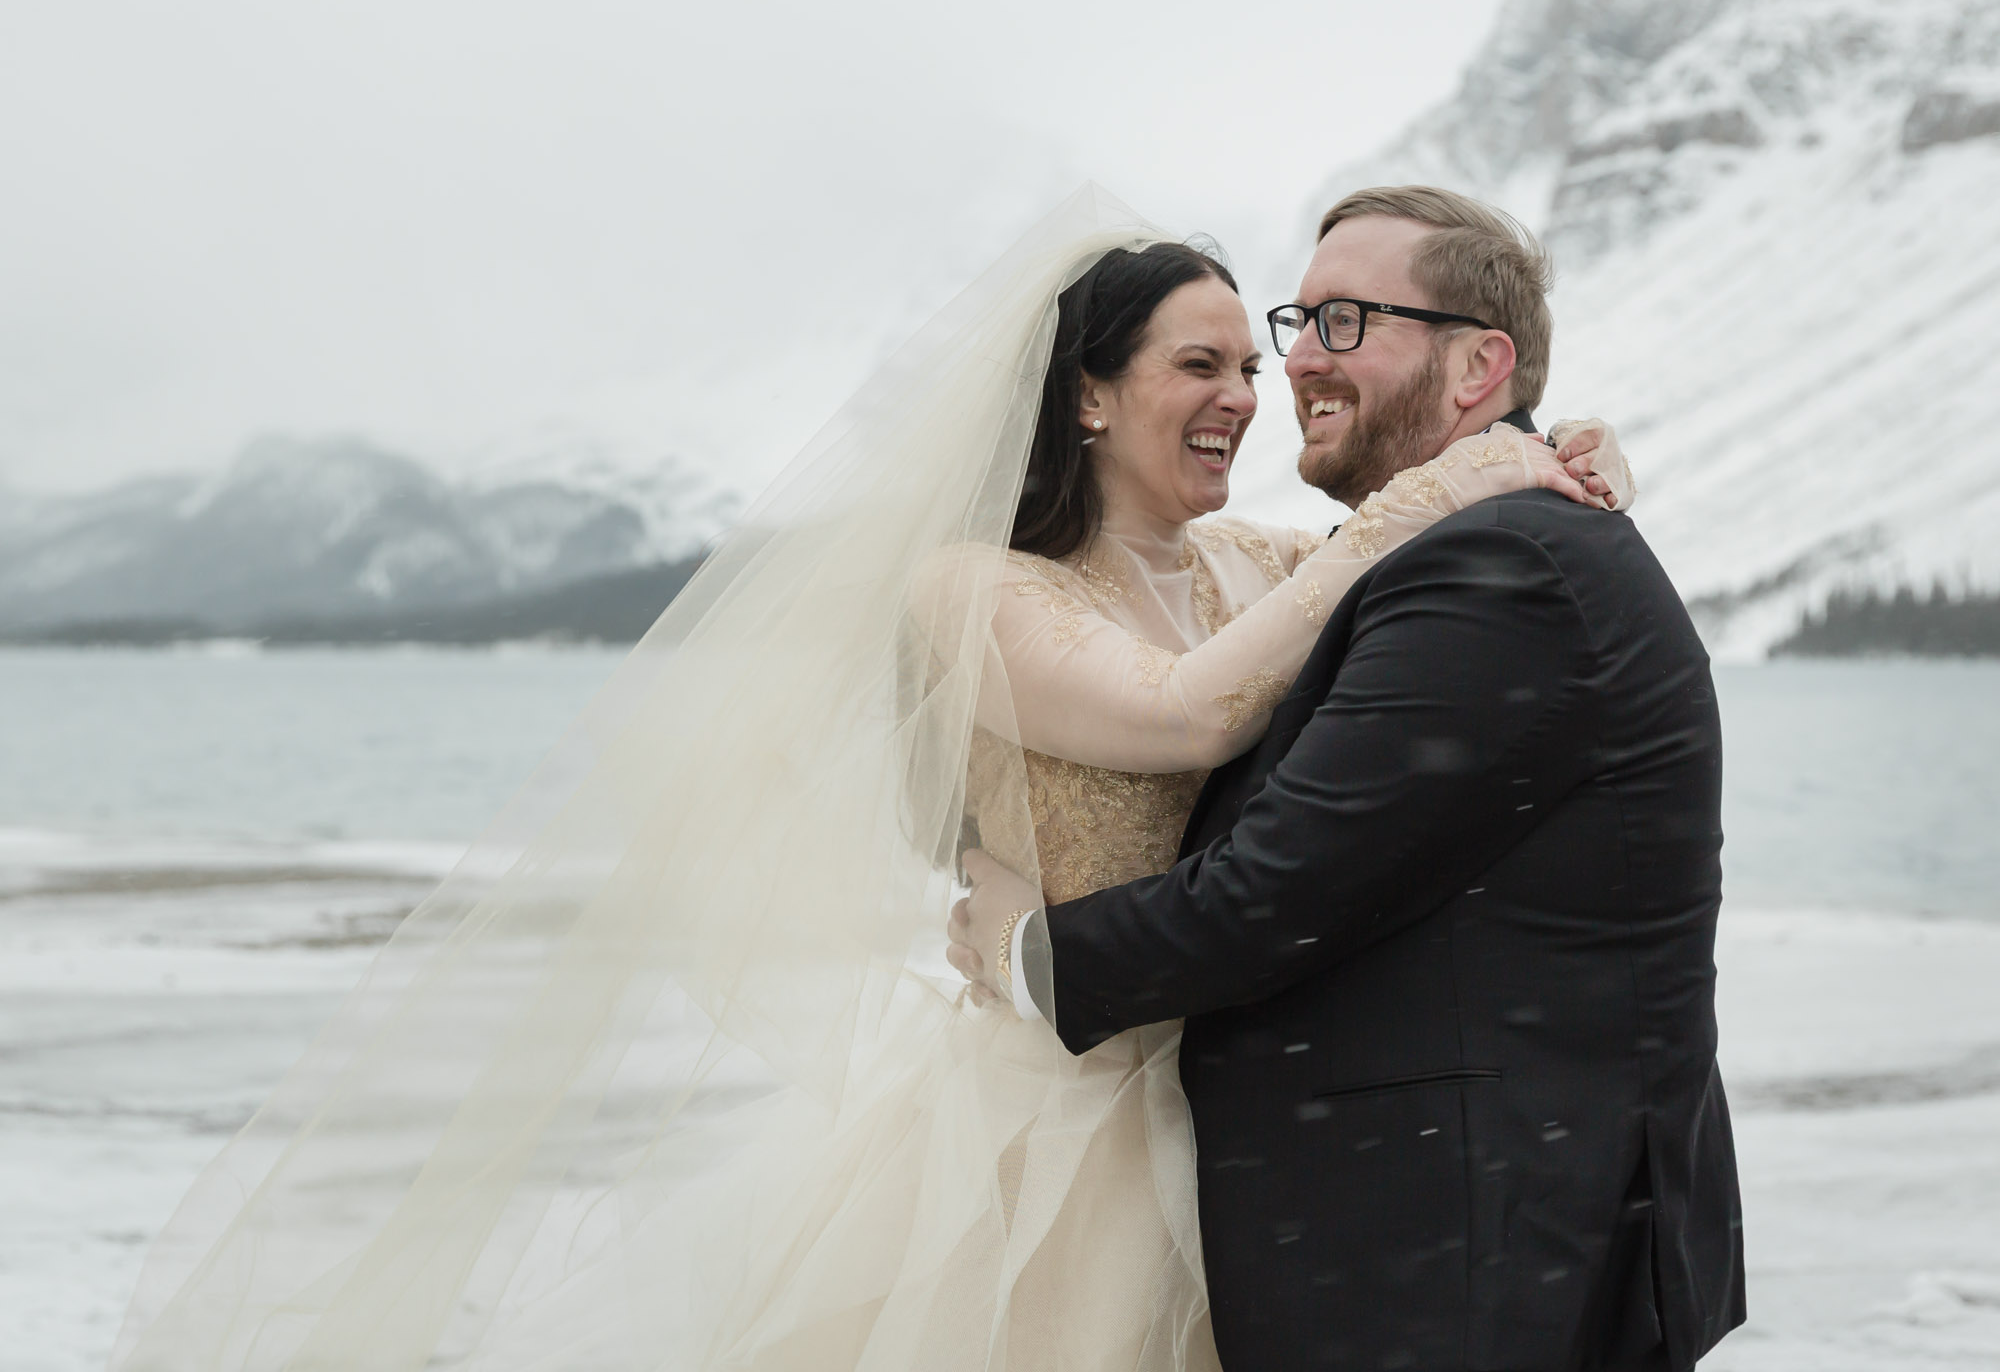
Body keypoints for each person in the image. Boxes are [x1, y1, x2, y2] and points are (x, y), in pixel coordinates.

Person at [110, 186, 1631, 1372]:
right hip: (1046, 1138)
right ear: (1089, 396)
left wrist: (1543, 458)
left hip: (1230, 1113)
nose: (1248, 393)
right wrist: (1449, 482)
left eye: (1256, 360)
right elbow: (1179, 718)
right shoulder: (977, 589)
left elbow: (1398, 601)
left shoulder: (1250, 561)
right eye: (1201, 365)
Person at [951, 185, 1746, 1372]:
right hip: (1402, 1220)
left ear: (1480, 362)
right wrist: (1508, 456)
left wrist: (1027, 957)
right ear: (1087, 392)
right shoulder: (1430, 551)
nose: (1286, 370)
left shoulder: (1498, 564)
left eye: (1343, 323)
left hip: (1475, 1245)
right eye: (1298, 321)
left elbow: (1265, 894)